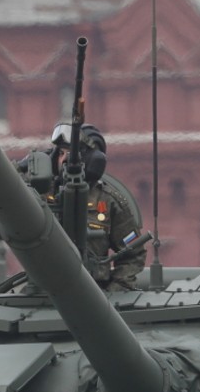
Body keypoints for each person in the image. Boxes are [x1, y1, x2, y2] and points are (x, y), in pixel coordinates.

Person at [43, 123, 146, 291]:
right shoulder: (41, 194)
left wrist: (116, 291)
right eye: (60, 153)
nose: (64, 160)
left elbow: (134, 253)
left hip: (94, 293)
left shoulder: (109, 201)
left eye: (70, 154)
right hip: (44, 292)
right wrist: (25, 166)